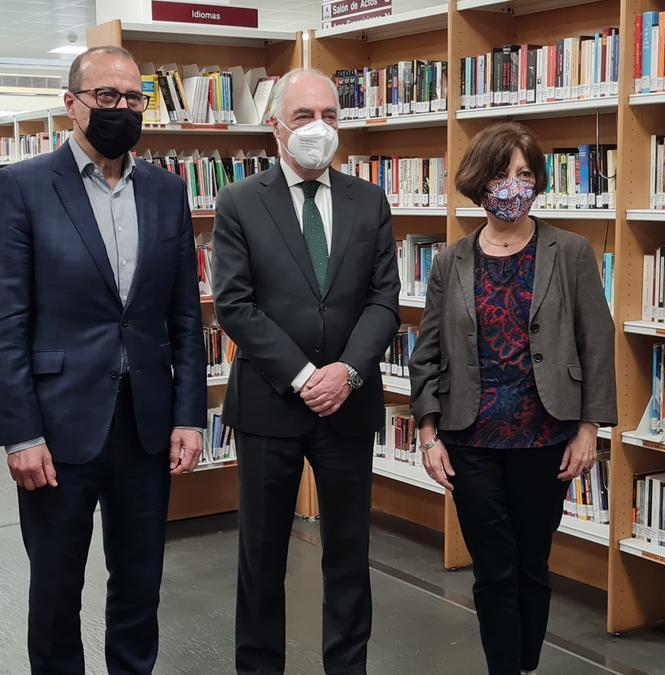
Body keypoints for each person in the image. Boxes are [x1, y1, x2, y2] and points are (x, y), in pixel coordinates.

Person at [0, 46, 206, 675]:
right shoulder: (22, 187)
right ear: (71, 103)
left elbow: (185, 317)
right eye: (106, 96)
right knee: (55, 590)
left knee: (140, 585)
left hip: (146, 427)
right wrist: (19, 432)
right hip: (56, 429)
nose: (121, 108)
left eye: (134, 98)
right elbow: (2, 324)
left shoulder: (166, 190)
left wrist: (189, 417)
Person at [408, 122, 617, 675]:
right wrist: (427, 435)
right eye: (502, 174)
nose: (513, 186)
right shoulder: (451, 261)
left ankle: (524, 664)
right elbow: (426, 351)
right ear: (479, 182)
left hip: (545, 435)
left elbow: (597, 344)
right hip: (469, 437)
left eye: (525, 174)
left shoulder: (569, 252)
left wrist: (590, 429)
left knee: (532, 565)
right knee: (493, 569)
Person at [213, 68, 400, 675]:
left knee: (348, 553)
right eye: (303, 116)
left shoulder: (368, 200)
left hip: (347, 404)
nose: (318, 128)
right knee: (261, 556)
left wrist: (344, 372)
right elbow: (235, 305)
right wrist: (302, 375)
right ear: (275, 127)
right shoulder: (240, 201)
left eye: (330, 115)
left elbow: (384, 301)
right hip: (271, 405)